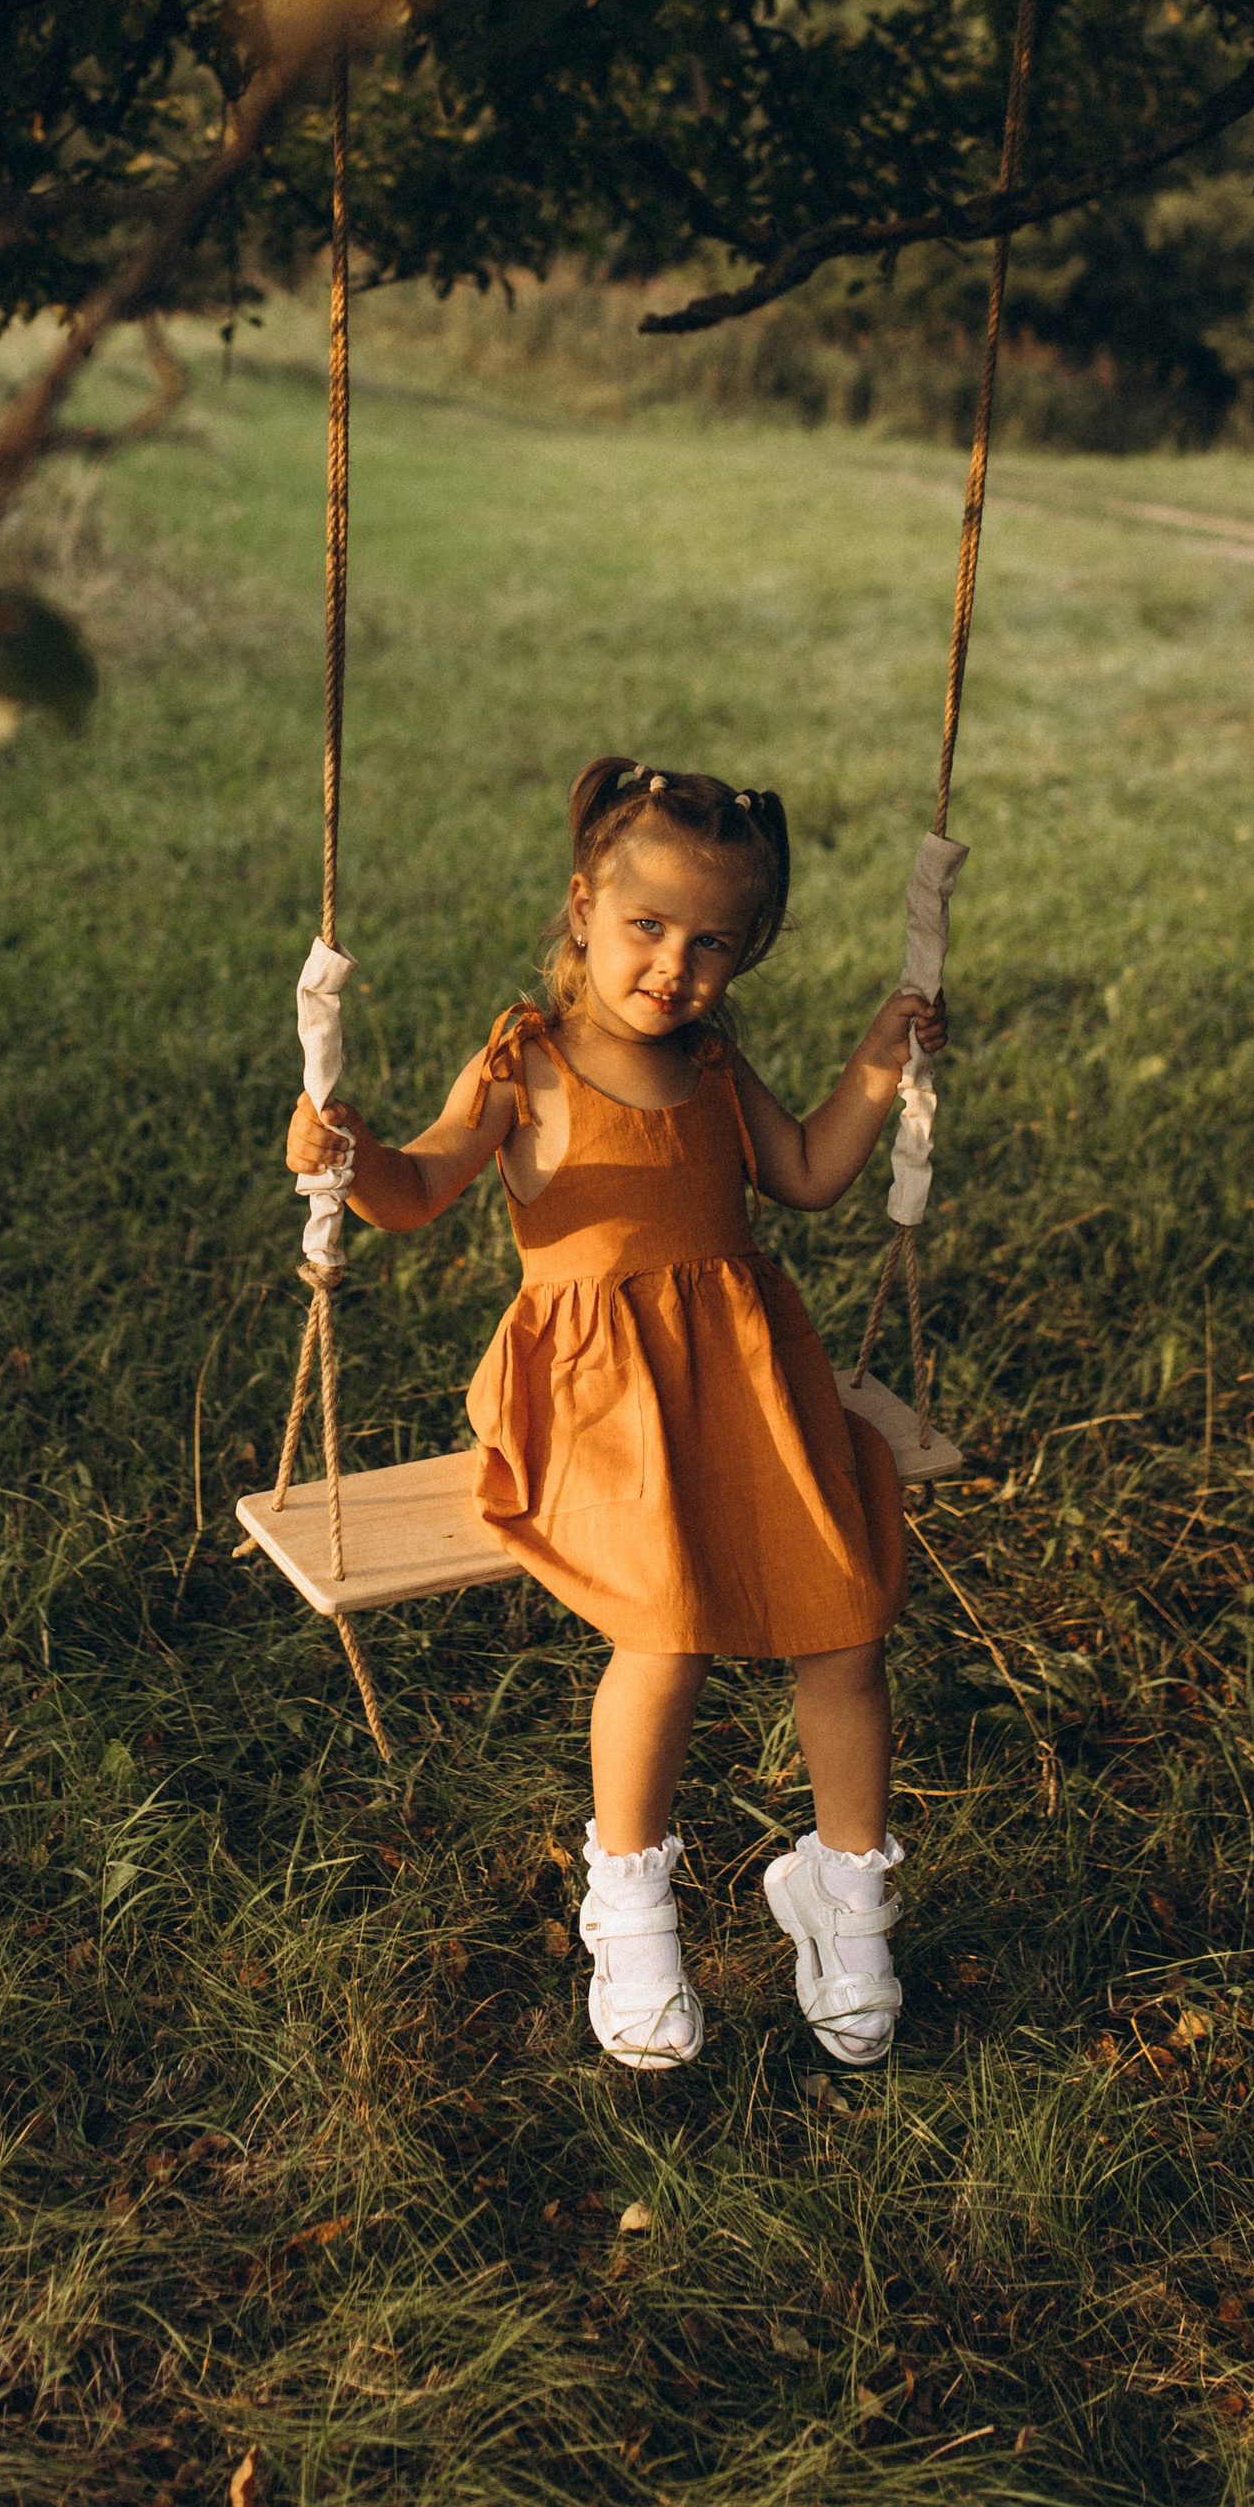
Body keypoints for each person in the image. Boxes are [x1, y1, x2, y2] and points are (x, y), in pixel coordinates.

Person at [284, 755, 946, 2075]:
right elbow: (418, 1191)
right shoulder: (523, 1063)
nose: (675, 967)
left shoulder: (713, 1062)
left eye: (714, 944)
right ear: (584, 908)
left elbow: (807, 1174)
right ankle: (630, 1906)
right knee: (667, 1631)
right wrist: (346, 1161)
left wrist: (879, 1070)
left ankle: (842, 1889)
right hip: (595, 1403)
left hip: (743, 1385)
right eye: (648, 925)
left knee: (847, 1626)